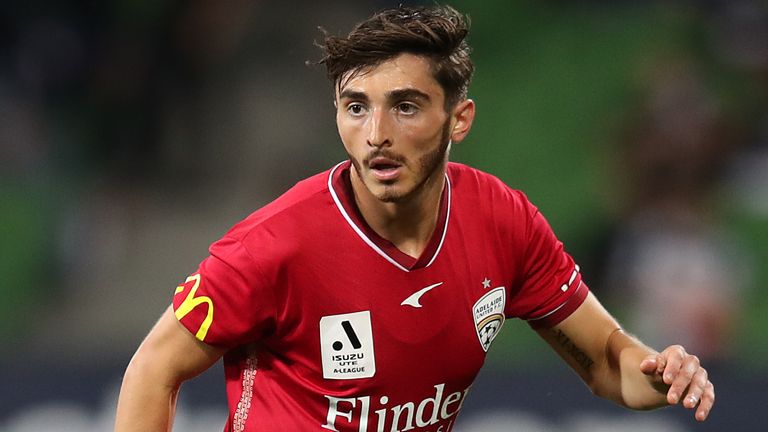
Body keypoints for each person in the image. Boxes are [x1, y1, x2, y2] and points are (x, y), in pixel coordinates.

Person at [114, 5, 715, 432]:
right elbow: (154, 367)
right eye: (356, 108)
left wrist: (657, 372)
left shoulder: (502, 221)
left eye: (405, 106)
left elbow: (609, 363)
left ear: (460, 119)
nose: (376, 135)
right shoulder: (275, 244)